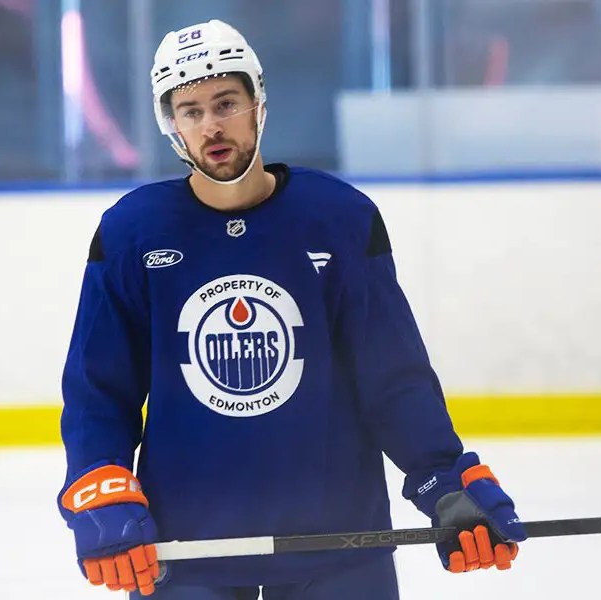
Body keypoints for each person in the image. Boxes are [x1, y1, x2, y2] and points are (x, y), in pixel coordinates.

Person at [57, 19, 527, 599]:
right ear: (172, 125)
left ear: (258, 103)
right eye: (191, 109)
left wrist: (445, 478)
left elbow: (392, 378)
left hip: (339, 549)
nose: (212, 125)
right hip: (186, 551)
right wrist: (99, 481)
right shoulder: (132, 233)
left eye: (226, 102)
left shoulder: (340, 219)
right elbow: (98, 389)